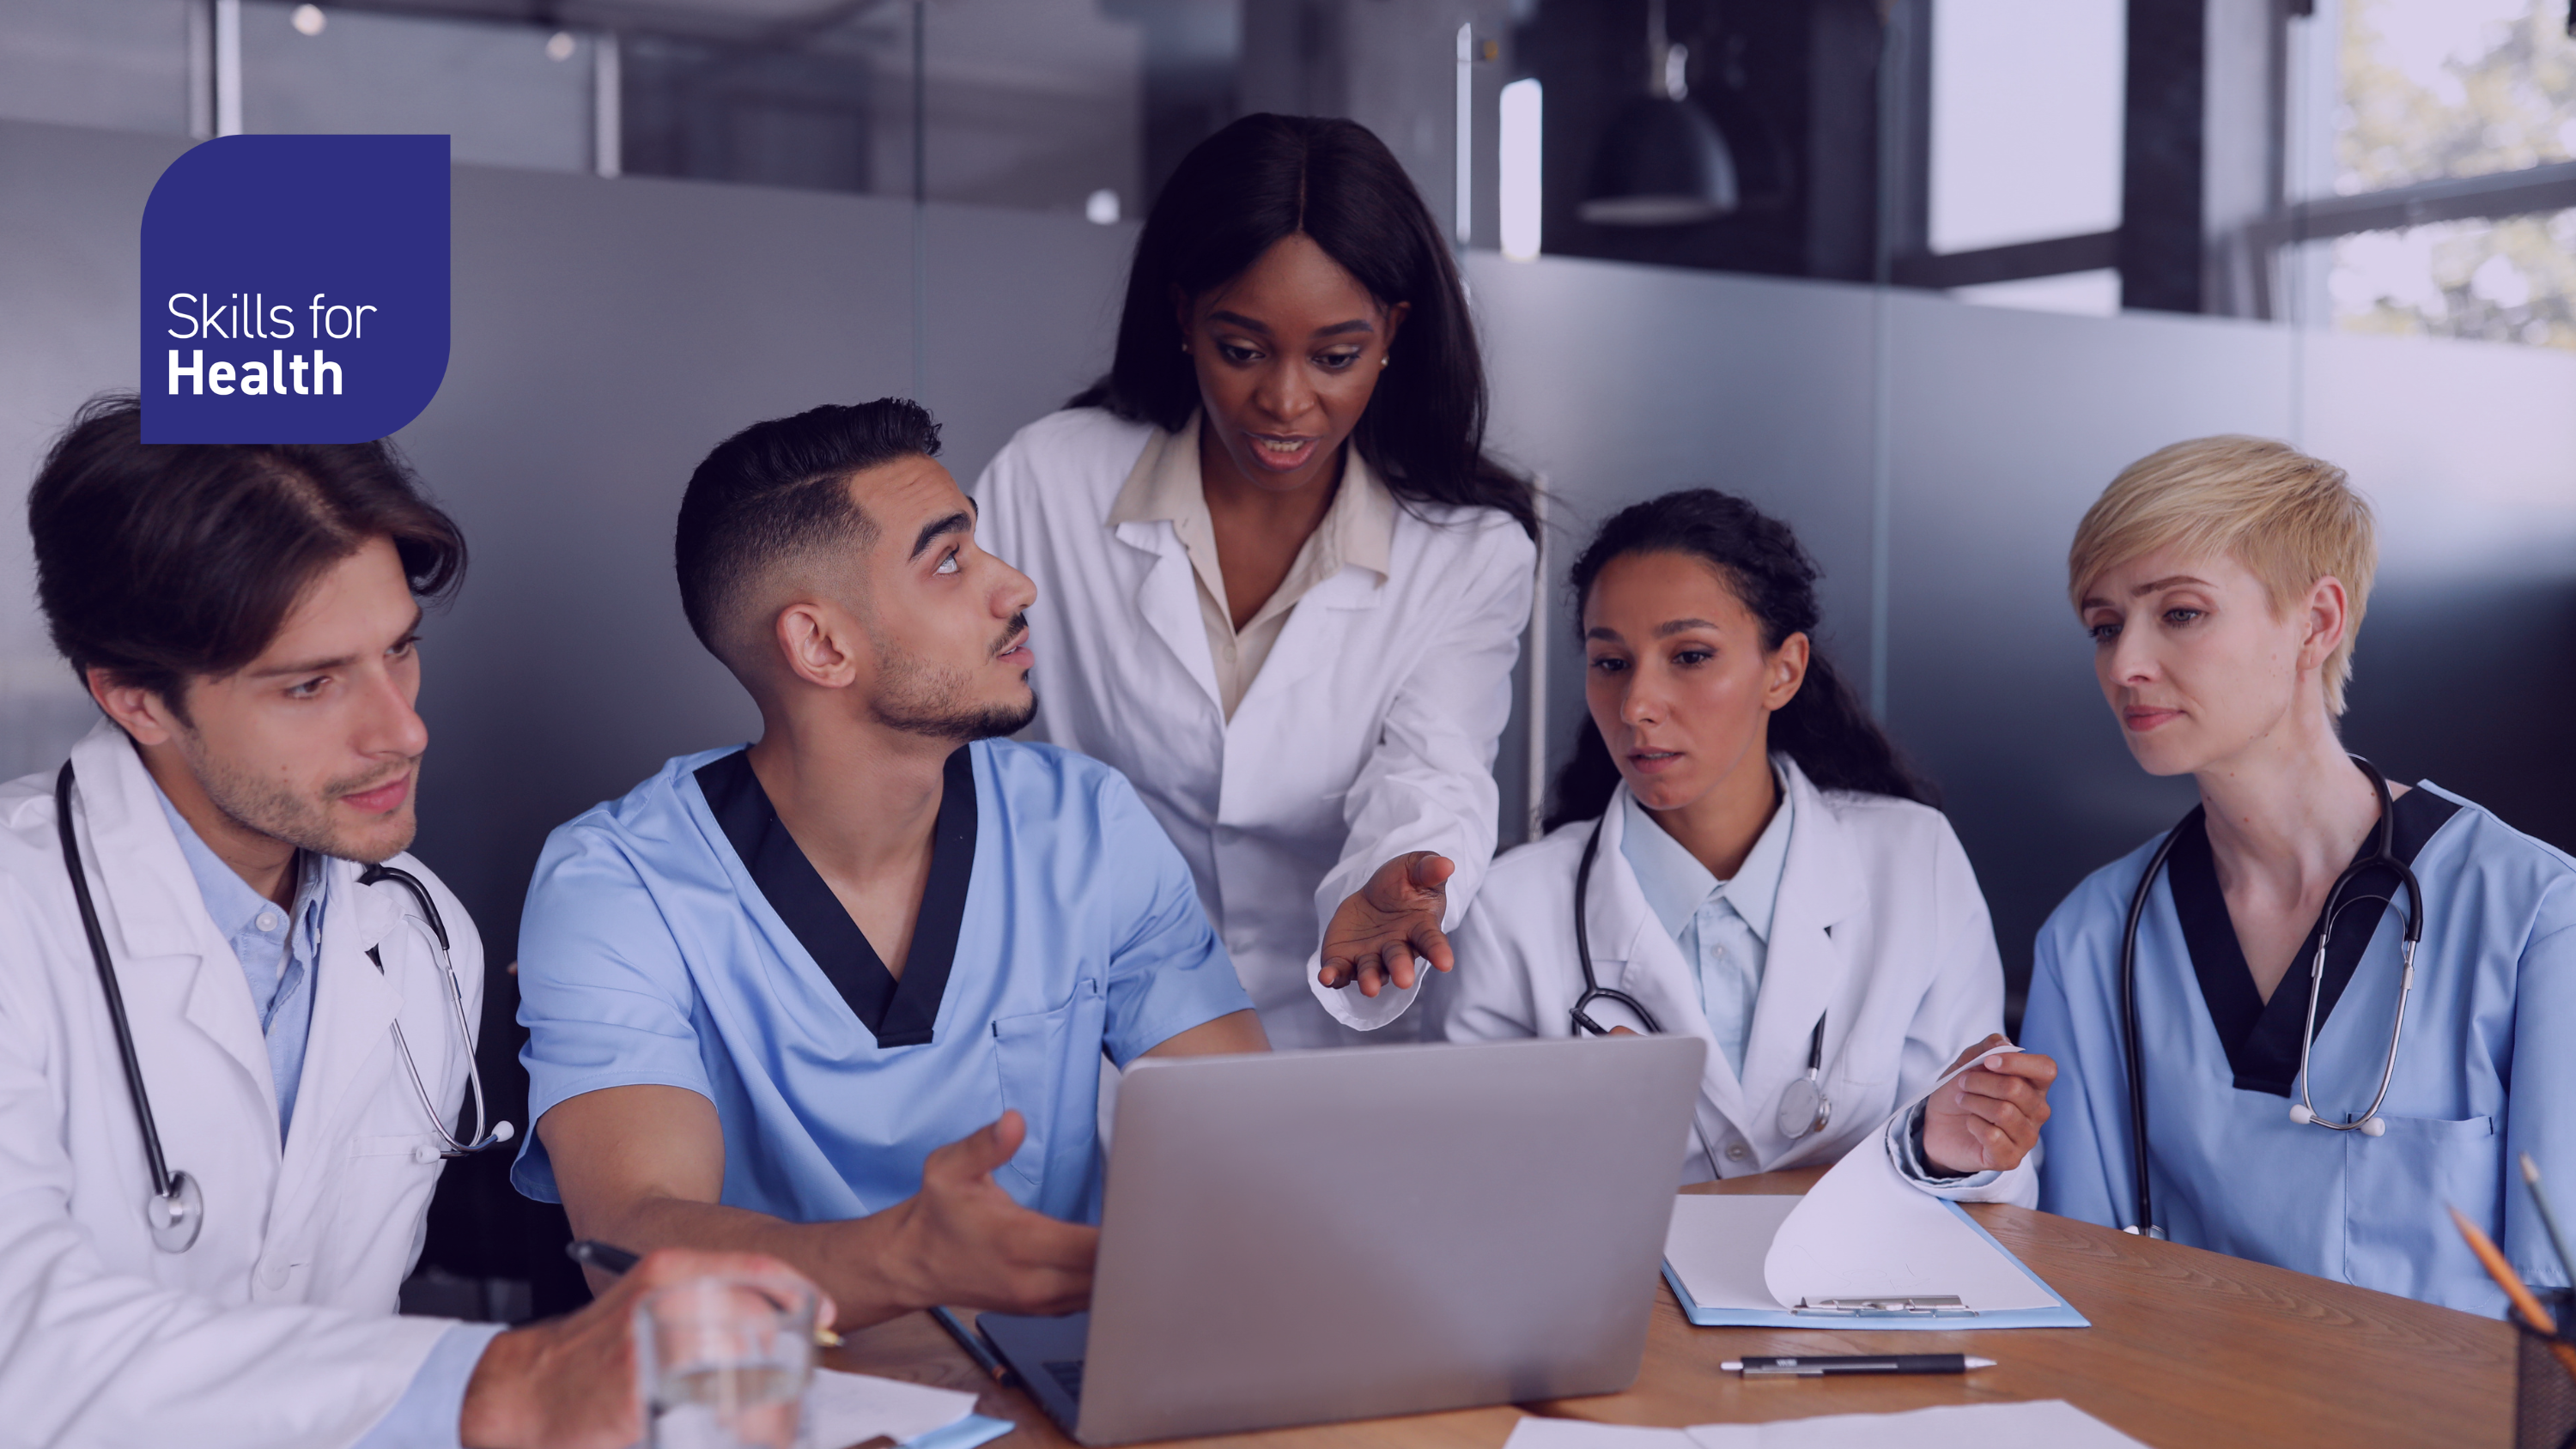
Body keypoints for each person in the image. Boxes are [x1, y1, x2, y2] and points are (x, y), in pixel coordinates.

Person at [0, 396, 814, 1448]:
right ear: (134, 698)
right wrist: (510, 1383)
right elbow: (23, 1348)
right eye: (311, 684)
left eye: (399, 650)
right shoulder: (21, 918)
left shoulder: (420, 934)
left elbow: (343, 1334)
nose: (402, 728)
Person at [513, 399, 1269, 1331]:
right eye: (949, 560)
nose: (1017, 584)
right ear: (823, 645)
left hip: (1072, 1404)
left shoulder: (1087, 825)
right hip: (781, 1408)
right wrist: (909, 1257)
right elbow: (632, 1244)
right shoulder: (616, 888)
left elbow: (1249, 1144)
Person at [973, 113, 1538, 1047]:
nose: (1284, 399)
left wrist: (1397, 878)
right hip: (1094, 1023)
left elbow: (1435, 768)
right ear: (1184, 312)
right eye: (1242, 349)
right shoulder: (1052, 478)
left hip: (1332, 1033)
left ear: (1394, 331)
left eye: (1335, 356)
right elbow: (950, 716)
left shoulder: (1469, 550)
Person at [2020, 436, 2575, 1314]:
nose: (2125, 664)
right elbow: (2074, 1270)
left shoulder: (2535, 915)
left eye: (2182, 613)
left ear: (2316, 622)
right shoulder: (2093, 937)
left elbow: (2562, 1307)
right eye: (2103, 624)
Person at [1440, 491, 2054, 1197]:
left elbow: (1992, 1184)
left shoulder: (1915, 862)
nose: (1638, 704)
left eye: (1690, 655)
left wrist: (1953, 1146)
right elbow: (1468, 1201)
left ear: (1783, 670)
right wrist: (1572, 1139)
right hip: (1625, 1308)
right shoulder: (1510, 908)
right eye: (1611, 663)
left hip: (1864, 1305)